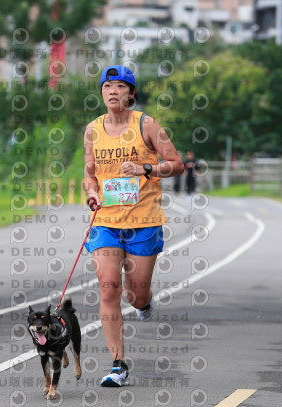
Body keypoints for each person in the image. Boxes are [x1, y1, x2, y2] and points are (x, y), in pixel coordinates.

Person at [83, 65, 184, 387]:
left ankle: (144, 302)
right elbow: (89, 174)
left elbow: (177, 165)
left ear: (131, 93)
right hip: (106, 222)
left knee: (134, 295)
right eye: (107, 86)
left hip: (143, 221)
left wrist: (145, 169)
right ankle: (118, 365)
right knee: (108, 286)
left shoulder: (147, 125)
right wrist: (92, 192)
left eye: (120, 86)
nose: (113, 91)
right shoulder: (92, 130)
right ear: (101, 92)